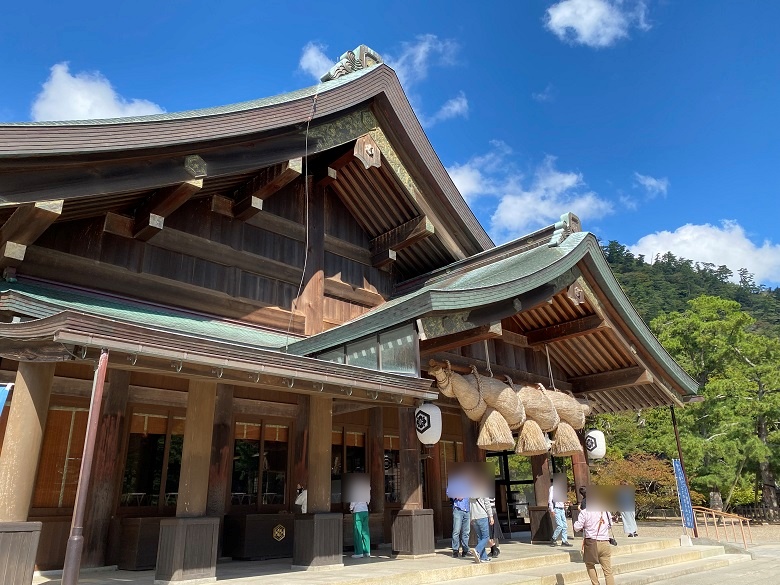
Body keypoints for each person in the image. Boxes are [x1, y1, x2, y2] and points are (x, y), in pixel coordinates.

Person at [574, 508, 615, 585]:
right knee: (608, 571)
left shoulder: (585, 512)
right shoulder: (606, 512)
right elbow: (609, 526)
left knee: (590, 565)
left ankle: (595, 583)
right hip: (605, 542)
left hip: (591, 542)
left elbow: (577, 527)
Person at [446, 485, 471, 558]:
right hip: (458, 509)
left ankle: (465, 550)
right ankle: (455, 550)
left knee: (466, 531)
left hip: (467, 510)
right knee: (456, 531)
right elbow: (448, 492)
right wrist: (456, 496)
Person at [469, 495, 494, 563]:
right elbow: (487, 504)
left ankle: (484, 557)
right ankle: (477, 550)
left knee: (480, 537)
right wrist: (491, 516)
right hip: (482, 516)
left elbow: (469, 505)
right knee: (486, 536)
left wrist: (471, 517)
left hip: (474, 517)